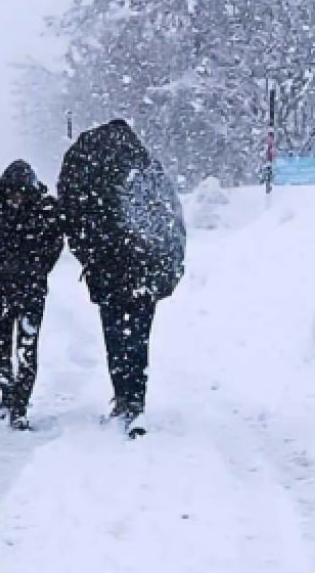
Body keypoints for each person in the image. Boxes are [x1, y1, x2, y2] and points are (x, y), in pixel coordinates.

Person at [57, 119, 185, 438]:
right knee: (139, 339)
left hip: (109, 273)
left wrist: (91, 257)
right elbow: (170, 220)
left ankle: (123, 397)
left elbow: (74, 220)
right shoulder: (144, 169)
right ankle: (135, 400)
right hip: (145, 272)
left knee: (115, 338)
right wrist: (167, 265)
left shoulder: (90, 171)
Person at [0, 160, 64, 430]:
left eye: (21, 194)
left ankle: (20, 403)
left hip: (30, 290)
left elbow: (55, 244)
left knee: (26, 348)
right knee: (0, 346)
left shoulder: (45, 209)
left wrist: (37, 271)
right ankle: (8, 393)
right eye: (12, 194)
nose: (16, 199)